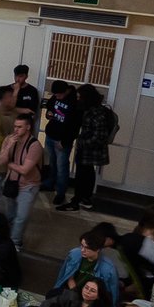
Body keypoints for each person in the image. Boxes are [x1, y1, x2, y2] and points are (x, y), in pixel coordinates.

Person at [58, 84, 112, 212]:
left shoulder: (96, 113)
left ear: (86, 98)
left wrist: (83, 143)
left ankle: (78, 200)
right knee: (87, 174)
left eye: (79, 97)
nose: (77, 100)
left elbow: (99, 136)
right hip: (89, 150)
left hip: (89, 150)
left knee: (83, 175)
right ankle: (84, 199)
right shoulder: (93, 110)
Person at [53, 228, 121, 304]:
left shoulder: (108, 269)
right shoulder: (74, 254)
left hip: (91, 299)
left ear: (98, 249)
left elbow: (112, 292)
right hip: (72, 291)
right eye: (82, 246)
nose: (82, 250)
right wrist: (75, 292)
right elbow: (66, 275)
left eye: (87, 248)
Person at [41, 80, 79, 206]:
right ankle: (50, 183)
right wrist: (49, 114)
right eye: (55, 95)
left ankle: (61, 192)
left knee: (62, 167)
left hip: (62, 140)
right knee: (52, 163)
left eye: (59, 95)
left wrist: (65, 141)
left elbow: (75, 126)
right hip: (51, 134)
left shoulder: (75, 102)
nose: (56, 97)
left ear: (66, 91)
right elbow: (50, 106)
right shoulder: (56, 96)